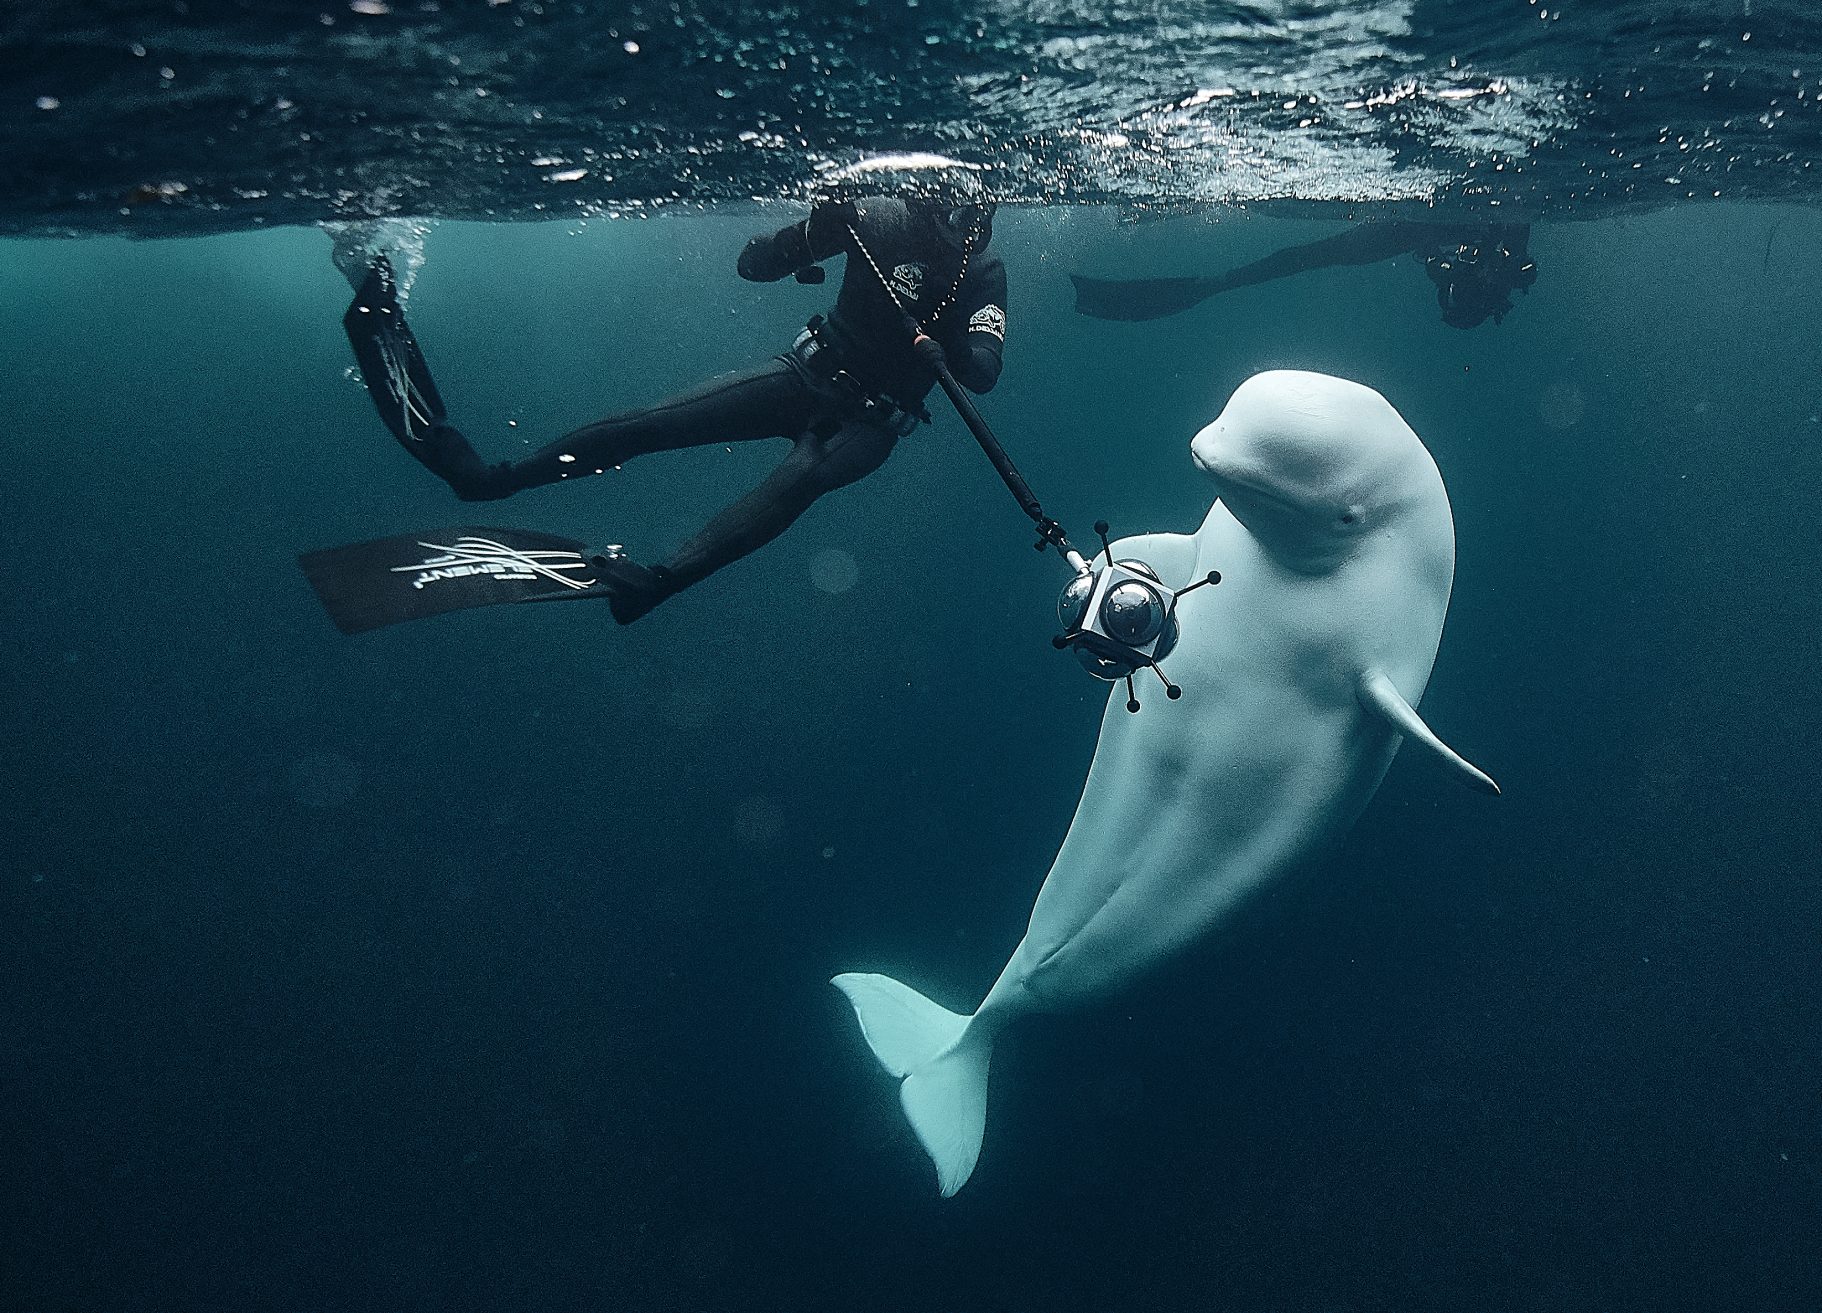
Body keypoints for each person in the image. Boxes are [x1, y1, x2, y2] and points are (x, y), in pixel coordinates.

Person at [336, 185, 1006, 624]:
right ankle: (489, 480)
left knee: (798, 480)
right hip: (803, 374)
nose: (969, 224)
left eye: (981, 214)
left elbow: (983, 373)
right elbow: (754, 265)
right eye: (962, 209)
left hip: (868, 423)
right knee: (654, 425)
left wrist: (947, 347)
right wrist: (810, 231)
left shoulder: (982, 275)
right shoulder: (879, 217)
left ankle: (658, 582)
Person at [1070, 220, 1537, 330]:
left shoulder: (1489, 254)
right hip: (1406, 229)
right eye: (1451, 283)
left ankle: (1202, 288)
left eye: (1444, 285)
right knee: (1302, 258)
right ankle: (1204, 287)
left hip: (1405, 231)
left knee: (1302, 258)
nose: (1444, 275)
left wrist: (1436, 254)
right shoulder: (1508, 237)